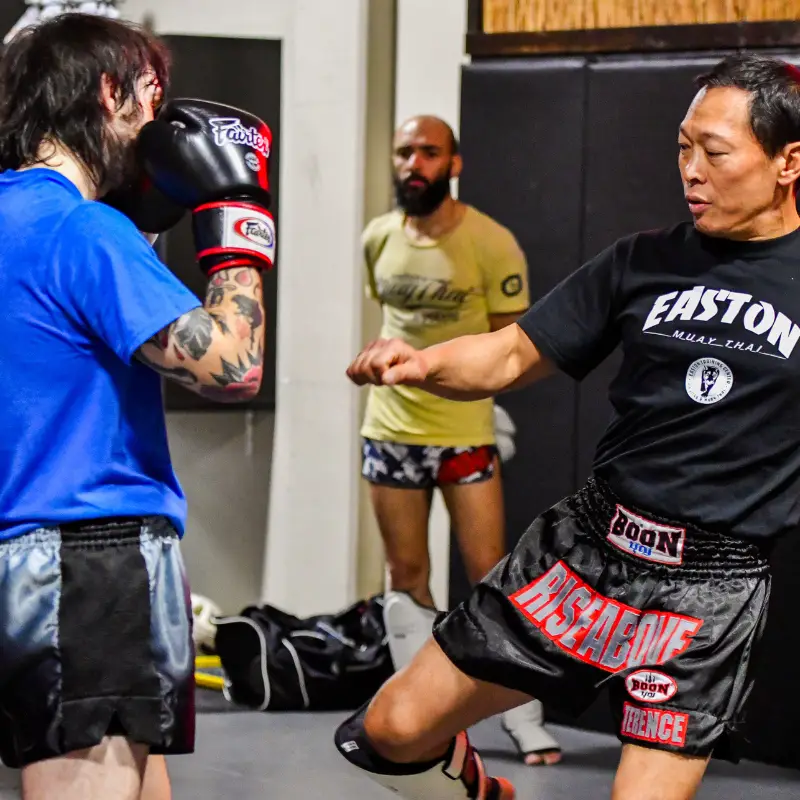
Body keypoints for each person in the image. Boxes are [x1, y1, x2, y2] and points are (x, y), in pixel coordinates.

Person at [335, 51, 800, 800]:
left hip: (707, 589)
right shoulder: (643, 262)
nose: (691, 169)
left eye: (714, 152)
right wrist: (419, 362)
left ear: (788, 162)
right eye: (683, 147)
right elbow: (509, 353)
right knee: (388, 730)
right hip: (590, 548)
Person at [0, 13, 275, 800]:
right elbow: (232, 363)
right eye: (151, 104)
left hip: (34, 556)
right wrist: (236, 216)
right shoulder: (81, 229)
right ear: (112, 93)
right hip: (88, 563)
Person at [360, 114, 561, 765]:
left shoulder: (491, 241)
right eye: (404, 152)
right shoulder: (378, 238)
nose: (413, 163)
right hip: (390, 431)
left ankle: (523, 717)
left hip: (465, 433)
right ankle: (421, 725)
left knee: (491, 574)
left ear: (454, 163)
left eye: (428, 152)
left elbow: (513, 344)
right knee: (406, 577)